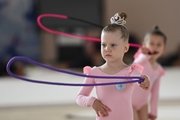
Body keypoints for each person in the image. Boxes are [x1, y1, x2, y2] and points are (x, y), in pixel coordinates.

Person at [76, 12, 150, 120]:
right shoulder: (94, 73)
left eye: (113, 45)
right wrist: (92, 101)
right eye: (104, 44)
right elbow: (79, 97)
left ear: (125, 48)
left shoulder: (130, 71)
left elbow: (141, 81)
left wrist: (145, 80)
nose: (107, 49)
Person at [132, 26, 166, 120]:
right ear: (144, 45)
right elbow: (136, 63)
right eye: (151, 43)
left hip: (143, 103)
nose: (155, 47)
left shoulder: (159, 70)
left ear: (164, 49)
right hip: (129, 101)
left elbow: (155, 93)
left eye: (159, 45)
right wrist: (144, 54)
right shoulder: (141, 59)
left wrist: (154, 110)